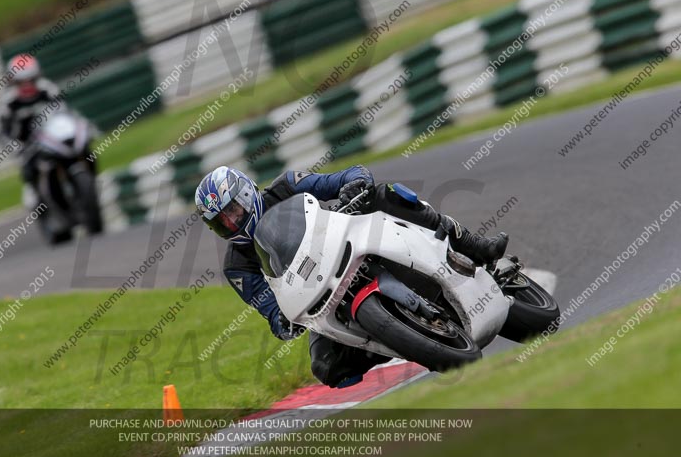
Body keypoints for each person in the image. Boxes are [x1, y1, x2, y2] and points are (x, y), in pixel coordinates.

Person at [195, 165, 508, 388]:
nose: (232, 221)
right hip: (317, 295)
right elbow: (270, 310)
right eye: (221, 222)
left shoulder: (287, 185)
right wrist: (282, 322)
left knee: (386, 195)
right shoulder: (237, 266)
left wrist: (353, 185)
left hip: (347, 241)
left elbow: (345, 177)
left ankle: (471, 243)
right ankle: (401, 341)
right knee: (327, 368)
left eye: (233, 210)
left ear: (246, 192)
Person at [0, 54, 63, 193]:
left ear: (37, 76)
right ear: (13, 81)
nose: (27, 85)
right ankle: (38, 197)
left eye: (30, 80)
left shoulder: (48, 89)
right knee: (30, 175)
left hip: (55, 140)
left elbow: (64, 113)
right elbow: (2, 133)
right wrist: (17, 148)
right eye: (21, 81)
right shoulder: (8, 102)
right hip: (29, 148)